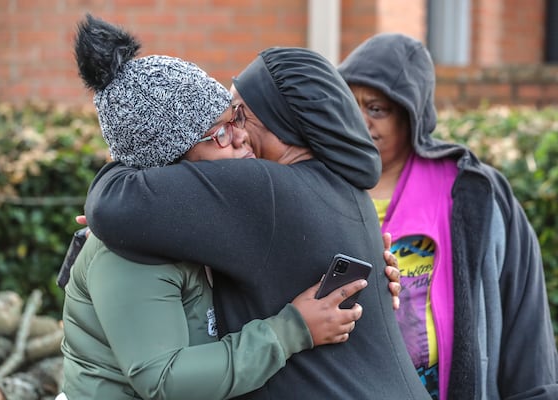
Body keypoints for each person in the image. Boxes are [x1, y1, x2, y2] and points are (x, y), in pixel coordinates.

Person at [83, 41, 432, 399]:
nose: (237, 133)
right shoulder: (344, 189)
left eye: (238, 114)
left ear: (276, 118)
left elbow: (114, 205)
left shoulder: (262, 189)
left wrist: (123, 164)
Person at [337, 32, 558, 400]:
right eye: (349, 103)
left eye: (376, 109)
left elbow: (524, 312)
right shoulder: (319, 181)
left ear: (411, 115)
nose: (359, 121)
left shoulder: (471, 190)